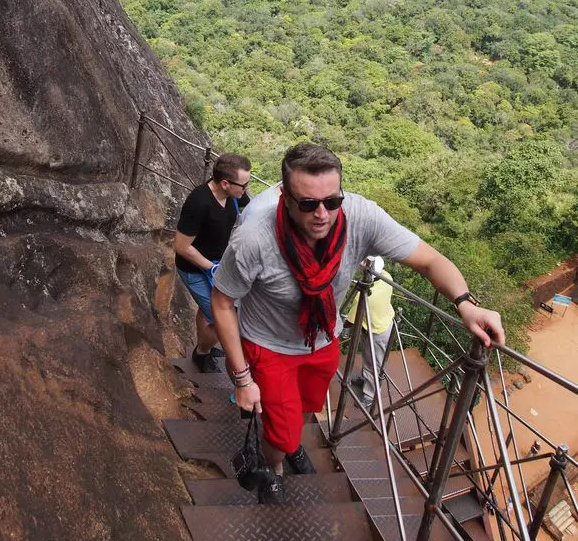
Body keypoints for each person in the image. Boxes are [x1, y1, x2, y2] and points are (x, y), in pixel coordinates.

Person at [211, 143, 505, 504]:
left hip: (323, 340)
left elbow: (429, 260)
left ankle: (288, 443)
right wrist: (242, 379)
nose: (322, 214)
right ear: (284, 196)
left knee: (304, 408)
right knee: (282, 432)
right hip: (269, 346)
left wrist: (466, 304)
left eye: (331, 202)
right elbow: (223, 302)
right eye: (308, 204)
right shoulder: (254, 240)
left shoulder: (361, 218)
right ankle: (275, 469)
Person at [174, 153, 251, 373]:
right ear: (225, 183)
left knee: (209, 310)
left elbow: (251, 209)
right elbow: (181, 245)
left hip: (218, 264)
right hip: (196, 269)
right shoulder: (199, 202)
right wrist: (211, 267)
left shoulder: (235, 195)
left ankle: (204, 346)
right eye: (243, 185)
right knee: (223, 320)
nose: (246, 189)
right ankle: (201, 353)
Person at [345, 264, 395, 409]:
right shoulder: (387, 277)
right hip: (385, 324)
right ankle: (365, 379)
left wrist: (338, 328)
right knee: (369, 360)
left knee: (373, 365)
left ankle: (369, 395)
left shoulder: (366, 295)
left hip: (375, 333)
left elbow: (350, 320)